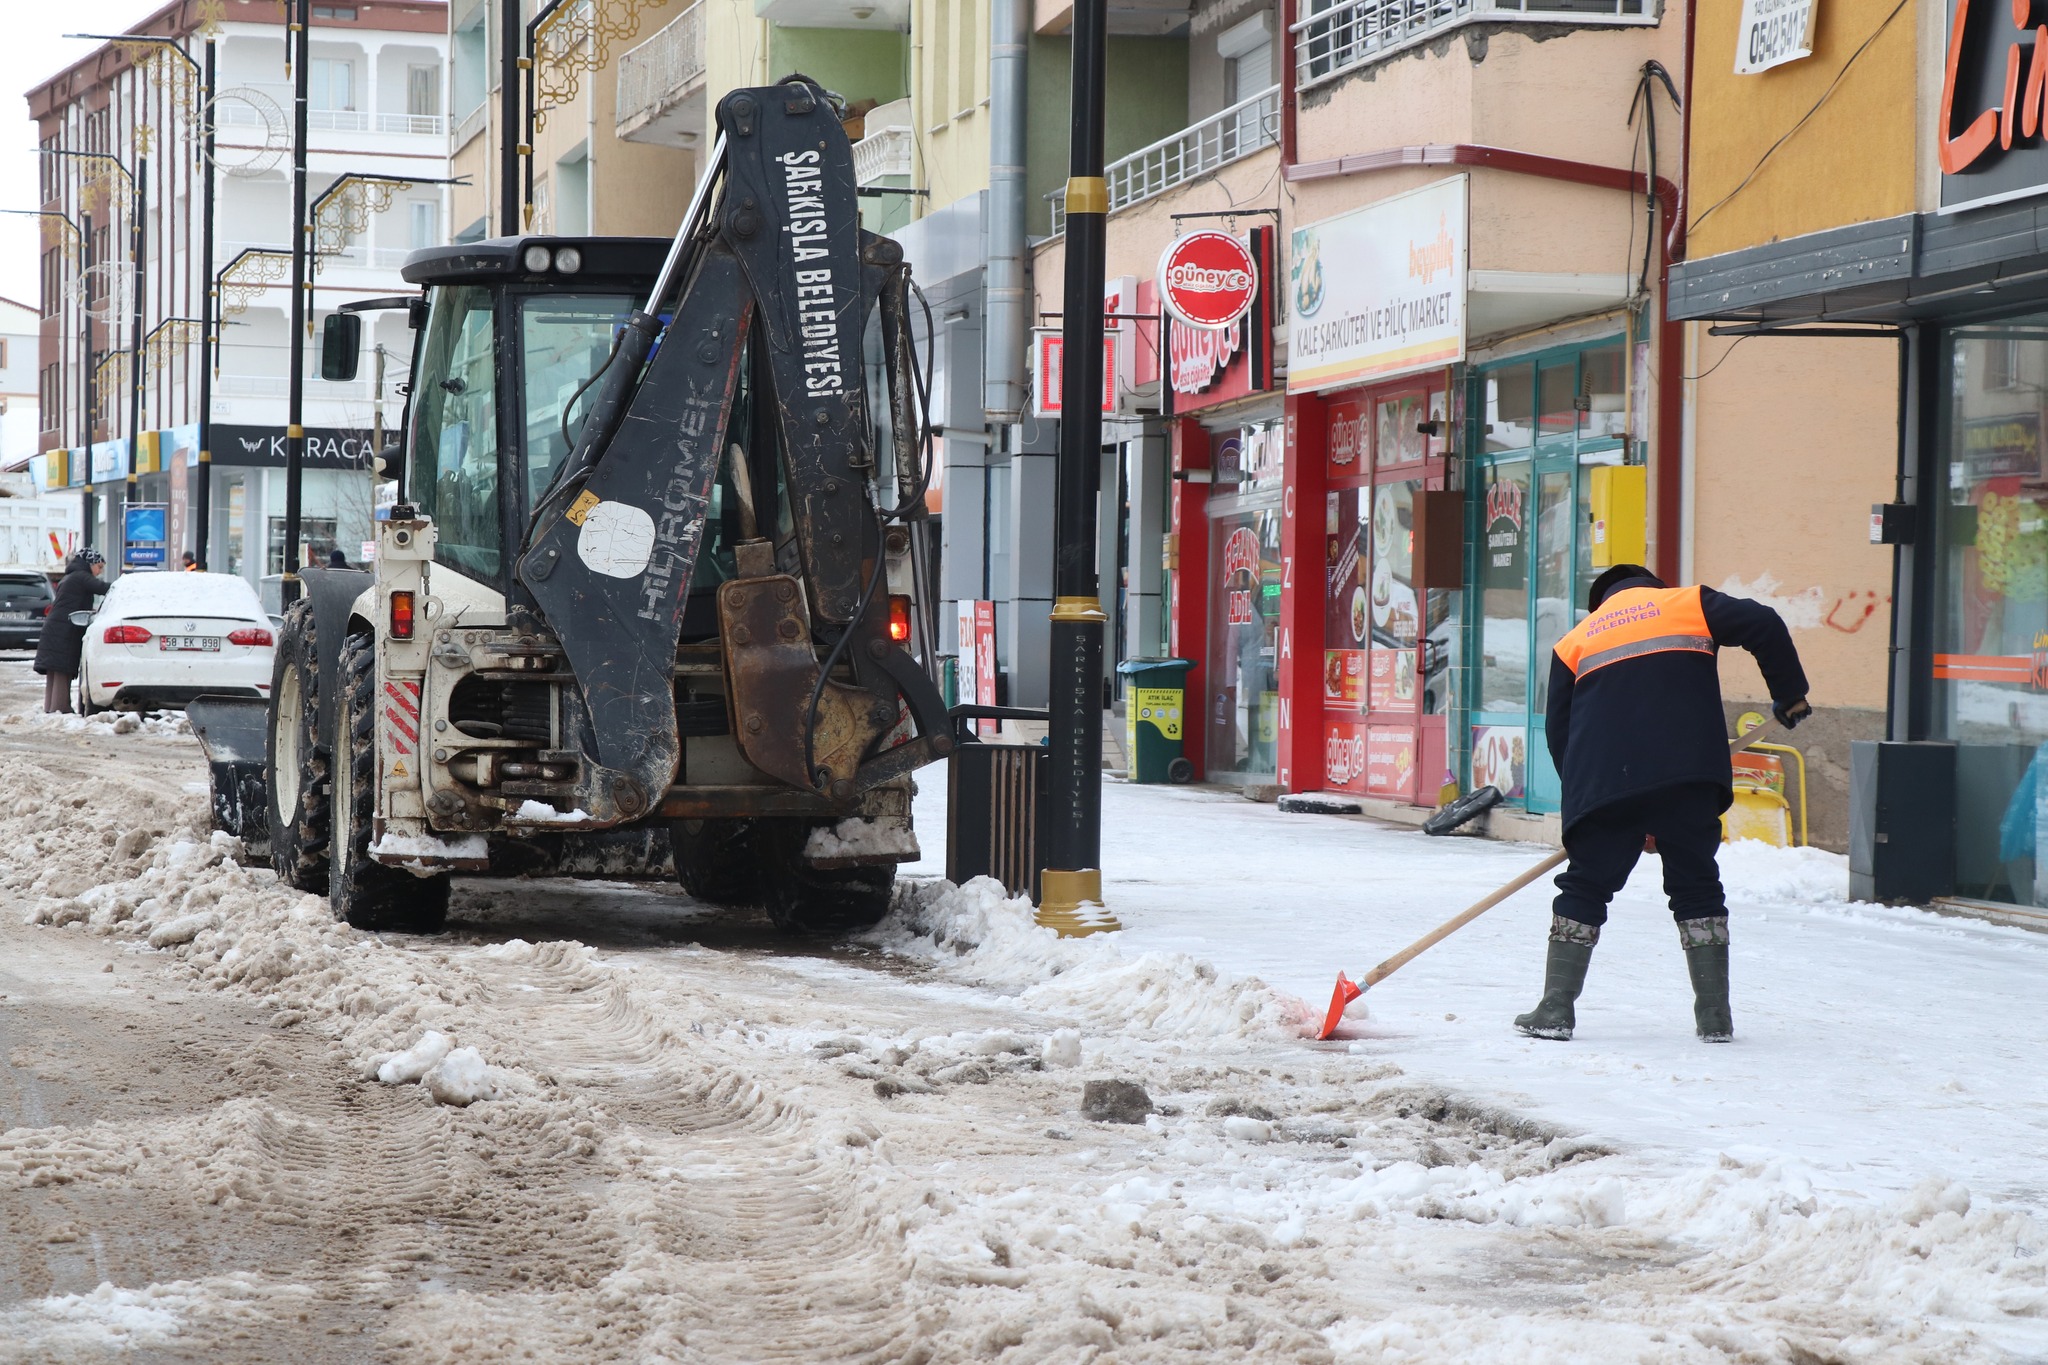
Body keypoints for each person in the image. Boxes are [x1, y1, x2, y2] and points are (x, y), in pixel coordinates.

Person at [1515, 564, 1811, 1044]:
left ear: (1601, 602)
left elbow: (1559, 735)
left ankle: (1555, 1009)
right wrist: (1789, 694)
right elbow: (1764, 622)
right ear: (1653, 586)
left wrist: (1589, 807)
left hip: (1607, 783)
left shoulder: (1575, 641)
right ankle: (1715, 1017)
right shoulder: (1688, 604)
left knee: (1585, 887)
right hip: (1687, 776)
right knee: (1697, 887)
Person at [34, 549, 109, 714]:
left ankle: (52, 707)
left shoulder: (71, 576)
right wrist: (125, 586)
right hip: (63, 629)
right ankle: (61, 708)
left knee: (55, 671)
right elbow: (105, 588)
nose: (100, 572)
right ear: (89, 564)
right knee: (62, 669)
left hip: (56, 627)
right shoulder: (82, 577)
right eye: (99, 566)